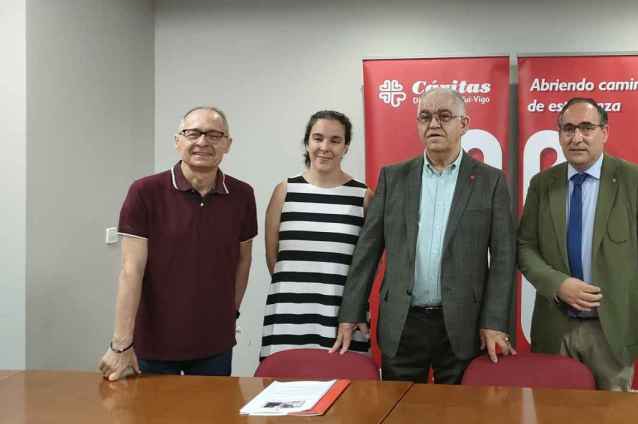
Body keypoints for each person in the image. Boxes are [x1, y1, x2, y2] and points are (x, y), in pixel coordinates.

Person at [332, 87, 516, 384]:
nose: (433, 124)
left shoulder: (490, 181)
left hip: (462, 324)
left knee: (460, 419)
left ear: (464, 124)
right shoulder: (393, 178)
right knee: (398, 417)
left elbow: (504, 258)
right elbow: (368, 250)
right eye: (425, 117)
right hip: (403, 322)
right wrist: (350, 312)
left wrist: (494, 322)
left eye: (444, 116)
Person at [518, 97, 638, 391]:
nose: (576, 137)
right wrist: (557, 283)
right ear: (560, 135)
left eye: (586, 127)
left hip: (612, 329)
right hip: (555, 327)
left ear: (604, 132)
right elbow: (524, 247)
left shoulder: (633, 180)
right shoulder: (543, 183)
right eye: (568, 129)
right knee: (554, 420)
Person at [98, 106, 257, 380]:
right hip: (153, 343)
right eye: (193, 133)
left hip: (214, 344)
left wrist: (229, 314)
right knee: (151, 422)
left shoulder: (242, 195)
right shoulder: (145, 192)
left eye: (214, 135)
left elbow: (243, 260)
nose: (203, 142)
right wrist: (120, 344)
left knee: (213, 421)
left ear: (227, 144)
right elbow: (130, 271)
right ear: (178, 141)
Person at [260, 110, 374, 360]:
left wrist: (352, 310)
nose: (325, 147)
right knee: (284, 390)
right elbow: (273, 258)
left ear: (346, 147)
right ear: (307, 142)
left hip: (341, 319)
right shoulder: (285, 191)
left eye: (335, 140)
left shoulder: (362, 196)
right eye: (318, 138)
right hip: (287, 316)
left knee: (347, 394)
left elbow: (367, 264)